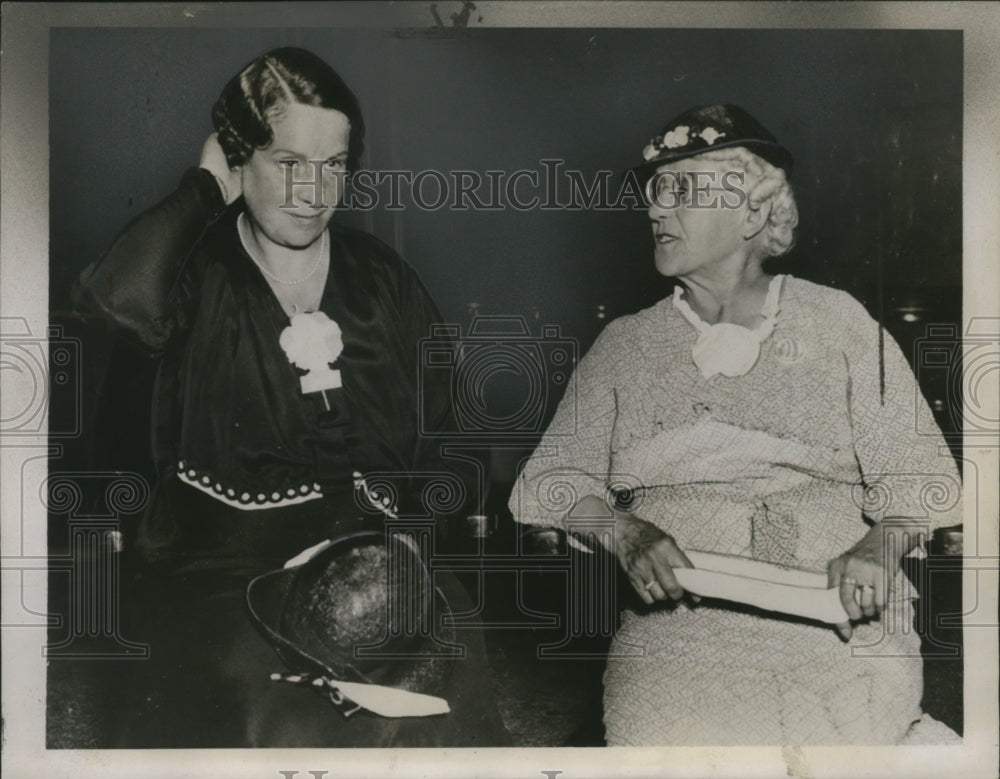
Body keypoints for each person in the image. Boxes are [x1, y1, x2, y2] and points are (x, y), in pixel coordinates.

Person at [72, 46, 508, 747]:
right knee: (269, 707)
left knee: (445, 674)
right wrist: (203, 187)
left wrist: (409, 547)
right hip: (223, 581)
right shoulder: (196, 276)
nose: (313, 191)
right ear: (240, 159)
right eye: (288, 162)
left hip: (386, 564)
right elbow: (111, 303)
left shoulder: (383, 282)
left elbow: (454, 443)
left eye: (333, 165)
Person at [508, 104, 962, 745]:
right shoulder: (624, 345)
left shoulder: (839, 324)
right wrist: (623, 530)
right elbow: (550, 482)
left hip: (838, 627)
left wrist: (879, 547)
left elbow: (923, 482)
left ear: (754, 211)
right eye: (653, 192)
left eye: (681, 190)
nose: (655, 210)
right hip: (680, 638)